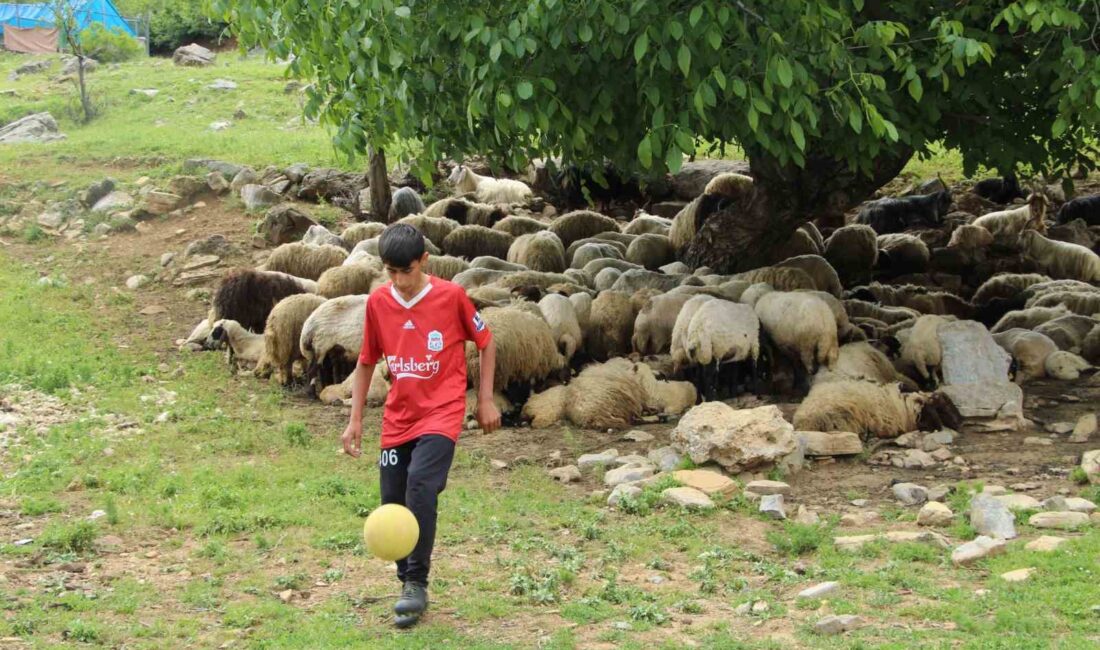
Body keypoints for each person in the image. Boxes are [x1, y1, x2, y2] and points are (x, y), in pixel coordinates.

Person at [341, 223, 500, 629]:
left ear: (423, 261)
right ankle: (405, 578)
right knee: (393, 502)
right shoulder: (378, 302)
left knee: (420, 486)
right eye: (390, 272)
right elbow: (366, 361)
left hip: (442, 412)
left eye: (405, 271)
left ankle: (416, 583)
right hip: (399, 417)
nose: (399, 281)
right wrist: (355, 419)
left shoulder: (452, 297)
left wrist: (483, 400)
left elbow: (486, 341)